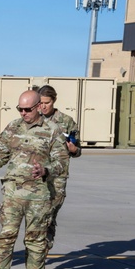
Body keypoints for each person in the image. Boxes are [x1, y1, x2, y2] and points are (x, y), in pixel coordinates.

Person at [0, 89, 68, 269]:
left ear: (38, 107)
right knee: (6, 237)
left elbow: (62, 163)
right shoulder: (13, 127)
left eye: (27, 109)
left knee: (35, 239)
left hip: (39, 196)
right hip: (13, 193)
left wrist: (46, 170)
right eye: (20, 109)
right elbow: (0, 155)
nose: (23, 113)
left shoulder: (53, 131)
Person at [36, 85, 82, 254]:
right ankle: (36, 249)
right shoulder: (34, 120)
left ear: (53, 101)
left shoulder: (66, 121)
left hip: (57, 176)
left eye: (46, 103)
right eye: (40, 103)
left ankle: (44, 247)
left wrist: (74, 150)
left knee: (50, 214)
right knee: (36, 215)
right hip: (36, 174)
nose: (43, 106)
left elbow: (78, 150)